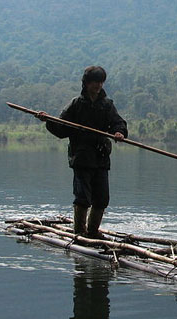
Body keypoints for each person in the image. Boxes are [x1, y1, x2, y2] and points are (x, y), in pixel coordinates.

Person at [37, 66, 127, 238]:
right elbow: (61, 128)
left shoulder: (107, 105)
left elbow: (118, 123)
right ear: (86, 83)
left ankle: (92, 232)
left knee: (102, 198)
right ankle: (79, 232)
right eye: (95, 82)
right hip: (81, 157)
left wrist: (119, 133)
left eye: (101, 82)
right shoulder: (76, 104)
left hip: (101, 157)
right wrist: (48, 120)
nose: (98, 86)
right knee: (83, 197)